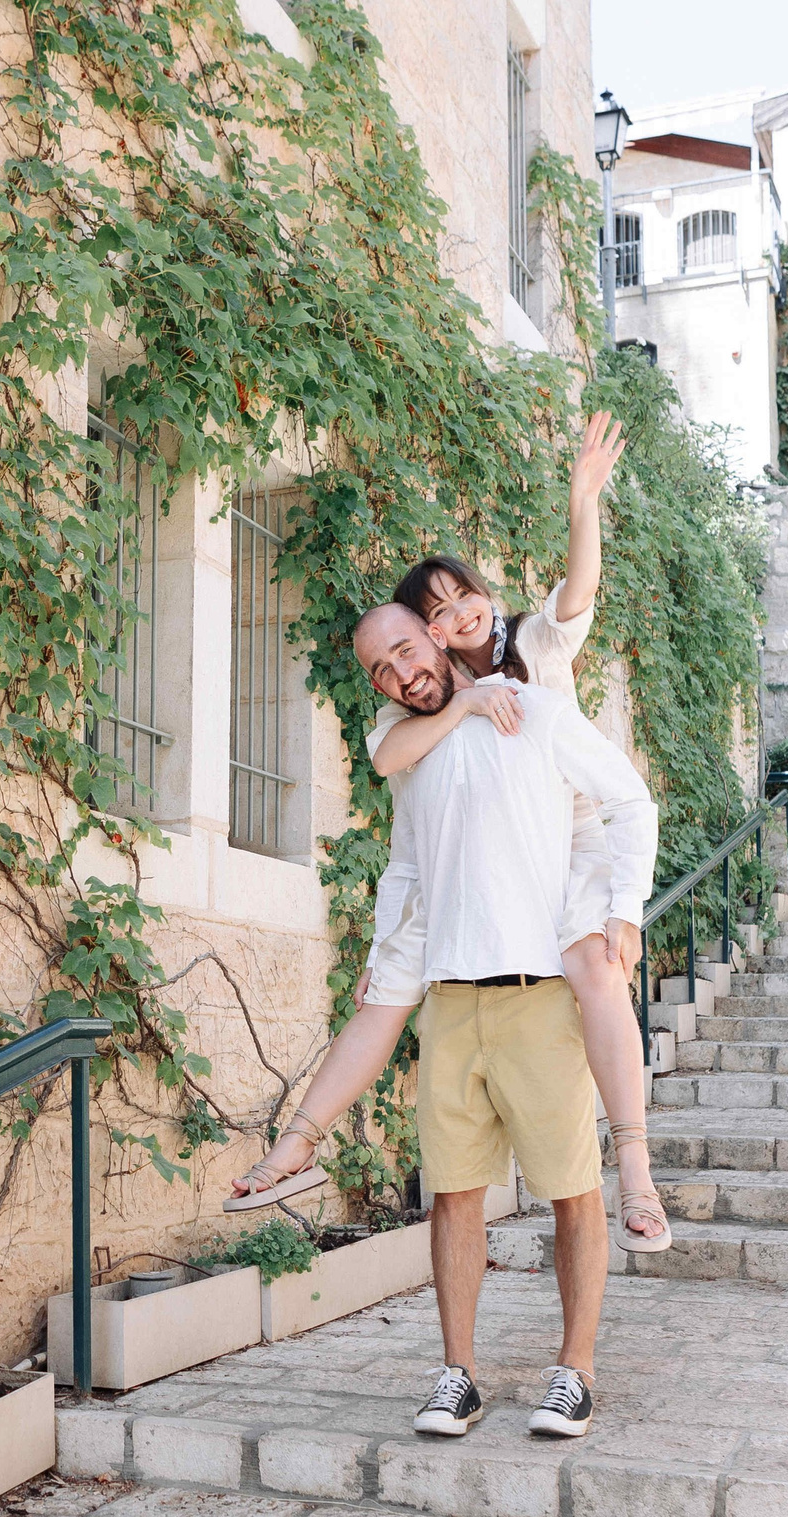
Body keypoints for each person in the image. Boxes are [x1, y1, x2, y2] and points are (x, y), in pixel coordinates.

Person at [222, 411, 671, 1255]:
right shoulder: (414, 710)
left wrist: (583, 501)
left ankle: (638, 1170)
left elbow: (578, 591)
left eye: (465, 599)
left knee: (597, 968)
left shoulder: (533, 656)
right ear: (420, 632)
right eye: (433, 615)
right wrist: (461, 701)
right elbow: (393, 759)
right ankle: (296, 1145)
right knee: (379, 1002)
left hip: (566, 831)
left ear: (486, 601)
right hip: (449, 872)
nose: (453, 618)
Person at [336, 602, 658, 1437]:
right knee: (452, 1197)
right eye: (380, 668)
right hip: (449, 999)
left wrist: (624, 911)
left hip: (540, 991)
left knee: (574, 1195)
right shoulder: (413, 748)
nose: (399, 672)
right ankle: (457, 1376)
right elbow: (405, 865)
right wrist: (383, 943)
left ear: (438, 639)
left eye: (407, 648)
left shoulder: (539, 708)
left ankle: (575, 1372)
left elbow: (627, 797)